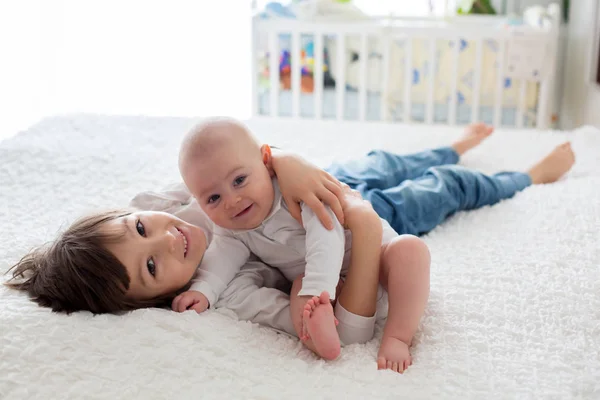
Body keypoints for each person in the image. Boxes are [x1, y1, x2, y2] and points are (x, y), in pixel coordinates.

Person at [4, 121, 575, 374]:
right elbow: (329, 319)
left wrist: (285, 163)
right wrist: (359, 229)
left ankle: (449, 145)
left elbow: (231, 158)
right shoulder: (228, 289)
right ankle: (524, 178)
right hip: (357, 223)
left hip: (321, 181)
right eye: (152, 266)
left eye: (137, 228)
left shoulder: (172, 201)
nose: (165, 237)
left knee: (387, 161)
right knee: (442, 192)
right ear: (157, 297)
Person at [176, 117, 429, 369]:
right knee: (300, 294)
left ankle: (398, 336)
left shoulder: (293, 192)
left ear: (266, 161)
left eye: (239, 180)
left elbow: (327, 232)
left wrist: (318, 287)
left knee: (410, 251)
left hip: (378, 261)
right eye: (214, 198)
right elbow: (222, 257)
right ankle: (323, 338)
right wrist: (204, 290)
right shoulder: (231, 228)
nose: (232, 201)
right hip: (332, 290)